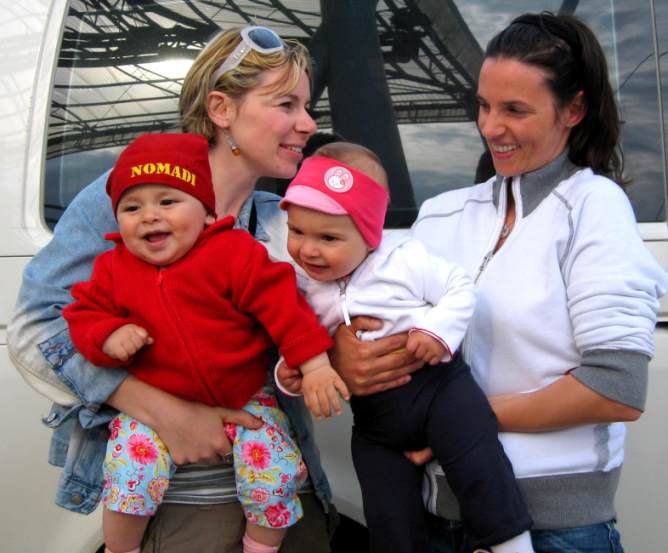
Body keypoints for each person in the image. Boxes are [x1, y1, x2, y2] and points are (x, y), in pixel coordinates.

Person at [323, 12, 668, 553]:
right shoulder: (440, 214)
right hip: (435, 522)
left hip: (556, 530)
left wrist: (453, 422)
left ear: (574, 110)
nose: (490, 127)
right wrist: (339, 357)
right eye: (484, 105)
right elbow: (367, 316)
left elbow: (616, 388)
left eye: (515, 110)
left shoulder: (592, 207)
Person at [8, 25, 341, 553]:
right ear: (222, 109)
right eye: (287, 105)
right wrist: (167, 413)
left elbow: (315, 322)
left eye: (306, 106)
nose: (308, 123)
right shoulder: (134, 197)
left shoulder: (285, 220)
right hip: (173, 506)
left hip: (281, 498)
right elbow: (35, 328)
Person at [62, 132, 347, 553]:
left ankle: (261, 547)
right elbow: (81, 316)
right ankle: (122, 549)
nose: (149, 216)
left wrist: (315, 364)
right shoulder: (112, 268)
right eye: (131, 207)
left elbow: (285, 307)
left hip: (246, 398)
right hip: (157, 406)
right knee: (127, 476)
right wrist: (107, 334)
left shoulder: (234, 253)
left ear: (208, 212)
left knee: (275, 473)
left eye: (168, 201)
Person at [277, 141, 534, 553]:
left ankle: (509, 544)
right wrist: (289, 373)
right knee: (387, 514)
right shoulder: (303, 287)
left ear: (369, 235)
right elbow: (296, 339)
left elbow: (458, 288)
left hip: (439, 390)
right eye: (296, 232)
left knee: (479, 466)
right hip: (375, 423)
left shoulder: (403, 260)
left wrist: (435, 332)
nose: (308, 249)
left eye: (328, 237)